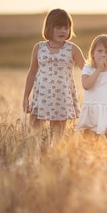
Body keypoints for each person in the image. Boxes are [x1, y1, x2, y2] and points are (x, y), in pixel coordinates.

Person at [23, 9, 85, 141]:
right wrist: (25, 97)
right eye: (58, 27)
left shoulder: (72, 49)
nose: (62, 31)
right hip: (41, 97)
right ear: (49, 28)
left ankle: (54, 158)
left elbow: (87, 70)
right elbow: (32, 72)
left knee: (57, 138)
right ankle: (36, 157)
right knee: (34, 135)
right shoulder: (39, 48)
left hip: (61, 98)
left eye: (66, 28)